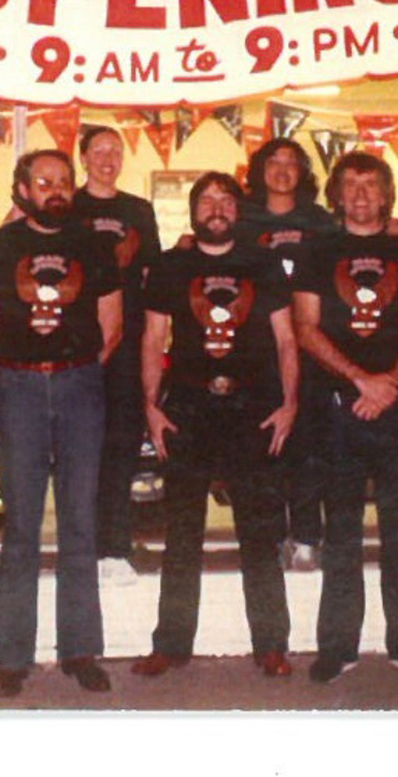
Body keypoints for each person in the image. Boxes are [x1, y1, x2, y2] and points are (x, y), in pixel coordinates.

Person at [0, 150, 122, 699]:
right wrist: (15, 376)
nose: (56, 190)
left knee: (80, 522)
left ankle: (79, 652)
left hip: (81, 388)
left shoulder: (94, 246)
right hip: (21, 391)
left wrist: (72, 373)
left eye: (63, 182)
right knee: (22, 527)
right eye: (44, 182)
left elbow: (112, 325)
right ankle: (13, 657)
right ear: (22, 188)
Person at [130, 172, 300, 679]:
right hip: (188, 408)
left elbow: (287, 340)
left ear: (237, 211)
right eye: (207, 200)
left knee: (259, 531)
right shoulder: (170, 265)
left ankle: (271, 645)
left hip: (253, 409)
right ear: (193, 211)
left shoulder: (263, 264)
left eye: (226, 199)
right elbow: (151, 340)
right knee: (182, 532)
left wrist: (290, 402)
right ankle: (171, 645)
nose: (217, 207)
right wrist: (150, 406)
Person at [292, 151, 398, 682]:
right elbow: (306, 327)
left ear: (385, 194)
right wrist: (360, 379)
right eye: (350, 185)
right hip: (339, 407)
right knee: (342, 531)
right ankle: (337, 646)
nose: (359, 194)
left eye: (370, 185)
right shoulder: (318, 249)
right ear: (337, 194)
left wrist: (392, 383)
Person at [240, 138, 339, 573]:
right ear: (259, 169)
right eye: (273, 162)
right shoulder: (241, 218)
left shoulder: (321, 222)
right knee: (264, 446)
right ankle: (270, 536)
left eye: (291, 164)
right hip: (257, 350)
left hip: (311, 347)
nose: (282, 170)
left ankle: (306, 537)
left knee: (309, 446)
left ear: (303, 173)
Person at [71, 125, 163, 583]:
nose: (108, 158)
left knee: (121, 444)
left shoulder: (138, 210)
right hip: (73, 343)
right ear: (83, 157)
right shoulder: (66, 206)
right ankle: (80, 546)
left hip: (126, 342)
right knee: (77, 448)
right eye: (99, 151)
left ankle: (115, 545)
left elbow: (151, 278)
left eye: (115, 151)